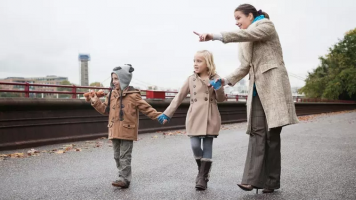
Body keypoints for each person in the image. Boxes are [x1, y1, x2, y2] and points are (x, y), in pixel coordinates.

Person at [193, 4, 298, 194]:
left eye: (239, 18)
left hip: (273, 88)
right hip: (256, 90)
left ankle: (271, 181)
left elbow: (248, 34)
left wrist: (215, 36)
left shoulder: (266, 25)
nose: (236, 22)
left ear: (250, 16)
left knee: (272, 136)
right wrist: (224, 81)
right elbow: (244, 67)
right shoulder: (245, 39)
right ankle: (251, 180)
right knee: (257, 133)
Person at [157, 50, 225, 190]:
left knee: (207, 146)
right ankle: (203, 173)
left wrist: (218, 88)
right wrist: (167, 114)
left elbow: (221, 99)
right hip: (194, 115)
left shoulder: (216, 78)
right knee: (194, 145)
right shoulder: (191, 79)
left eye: (199, 61)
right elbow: (179, 97)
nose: (195, 64)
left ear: (208, 63)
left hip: (210, 115)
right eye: (194, 60)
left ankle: (202, 178)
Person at [87, 64, 162, 188]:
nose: (114, 81)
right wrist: (95, 101)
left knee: (124, 156)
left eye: (116, 79)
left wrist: (159, 116)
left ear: (124, 79)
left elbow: (146, 108)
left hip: (127, 130)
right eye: (113, 79)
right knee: (117, 156)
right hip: (114, 129)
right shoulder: (111, 95)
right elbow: (105, 110)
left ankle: (124, 179)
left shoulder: (133, 95)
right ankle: (121, 175)